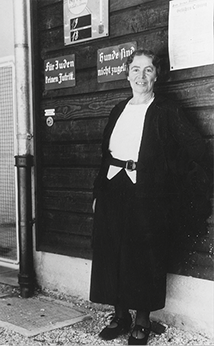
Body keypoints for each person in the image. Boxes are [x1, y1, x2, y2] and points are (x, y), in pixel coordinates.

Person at [89, 48, 207, 346]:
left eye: (148, 70)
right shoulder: (119, 109)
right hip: (113, 189)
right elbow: (106, 155)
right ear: (127, 73)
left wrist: (175, 187)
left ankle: (142, 320)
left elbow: (194, 147)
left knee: (143, 255)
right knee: (111, 250)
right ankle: (120, 316)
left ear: (157, 76)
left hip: (147, 192)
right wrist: (97, 193)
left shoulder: (166, 110)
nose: (141, 76)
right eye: (135, 69)